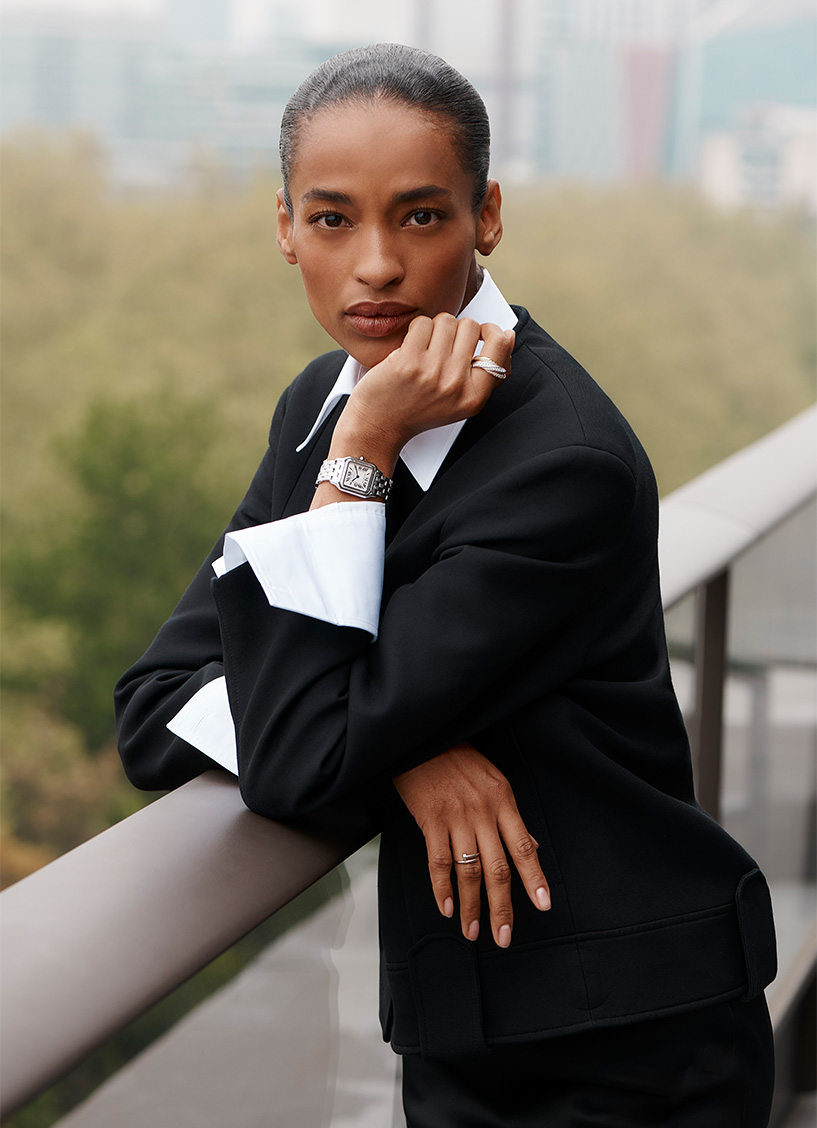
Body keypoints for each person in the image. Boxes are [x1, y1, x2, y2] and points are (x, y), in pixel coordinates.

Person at [115, 43, 777, 1127]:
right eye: (332, 219)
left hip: (628, 1044)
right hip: (461, 1017)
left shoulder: (560, 465)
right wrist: (405, 754)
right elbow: (154, 705)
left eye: (420, 216)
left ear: (488, 216)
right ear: (284, 227)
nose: (374, 263)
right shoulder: (321, 404)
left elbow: (298, 755)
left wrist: (364, 454)